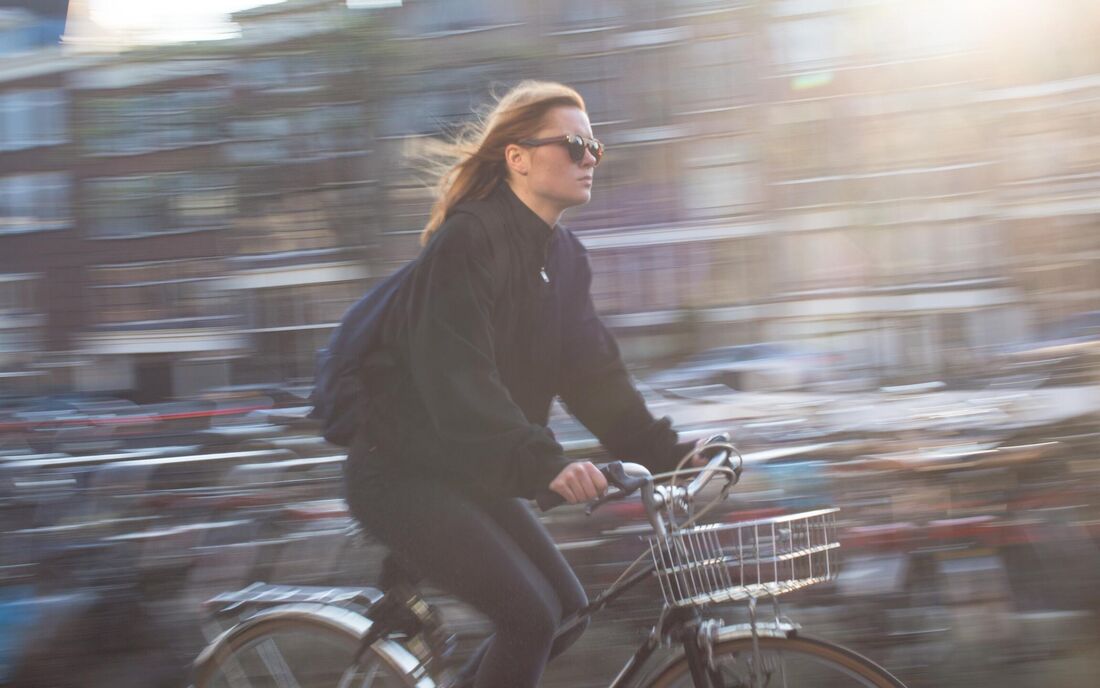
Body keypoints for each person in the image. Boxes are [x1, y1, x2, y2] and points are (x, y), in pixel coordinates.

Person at [344, 80, 703, 688]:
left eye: (595, 147)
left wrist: (670, 455)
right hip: (400, 473)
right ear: (518, 157)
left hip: (473, 470)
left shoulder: (564, 257)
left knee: (568, 612)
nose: (589, 158)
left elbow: (594, 376)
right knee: (531, 617)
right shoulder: (468, 240)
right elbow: (458, 377)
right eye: (572, 144)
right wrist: (543, 464)